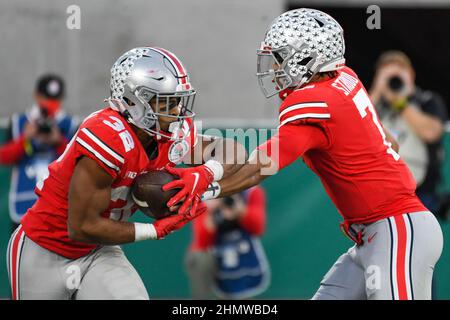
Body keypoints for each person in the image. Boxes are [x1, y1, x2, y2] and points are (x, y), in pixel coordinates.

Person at [164, 9, 443, 300]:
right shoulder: (344, 79)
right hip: (374, 234)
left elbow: (260, 166)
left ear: (306, 59)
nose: (273, 69)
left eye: (280, 58)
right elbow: (390, 143)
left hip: (396, 227)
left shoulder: (312, 101)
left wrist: (202, 184)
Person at [6, 47, 244, 300]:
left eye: (178, 101)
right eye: (167, 102)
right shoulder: (107, 135)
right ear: (134, 101)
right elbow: (81, 226)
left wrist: (205, 174)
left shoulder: (171, 134)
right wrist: (154, 230)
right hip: (44, 247)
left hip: (98, 250)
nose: (176, 112)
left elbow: (233, 151)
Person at [370, 51, 449, 220]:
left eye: (399, 72)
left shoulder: (427, 100)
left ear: (411, 74)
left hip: (422, 195)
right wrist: (378, 89)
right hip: (381, 196)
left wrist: (399, 101)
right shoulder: (372, 105)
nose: (393, 78)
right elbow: (354, 126)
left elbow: (431, 132)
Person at [0, 75, 78, 232]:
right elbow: (4, 157)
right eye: (46, 99)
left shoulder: (70, 125)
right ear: (36, 96)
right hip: (24, 204)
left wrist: (58, 141)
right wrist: (25, 139)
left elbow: (79, 163)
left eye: (55, 100)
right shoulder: (18, 123)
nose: (50, 105)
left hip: (57, 206)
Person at [185, 186, 269, 299]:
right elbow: (202, 243)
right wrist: (211, 212)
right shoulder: (203, 194)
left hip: (242, 252)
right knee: (200, 258)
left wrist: (241, 211)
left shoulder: (251, 192)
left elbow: (258, 229)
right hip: (212, 255)